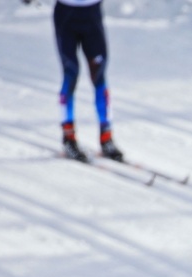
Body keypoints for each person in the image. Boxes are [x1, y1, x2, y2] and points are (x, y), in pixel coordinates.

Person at [53, 0, 122, 162]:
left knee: (99, 75)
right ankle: (69, 137)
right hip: (66, 14)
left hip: (91, 13)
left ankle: (107, 137)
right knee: (71, 74)